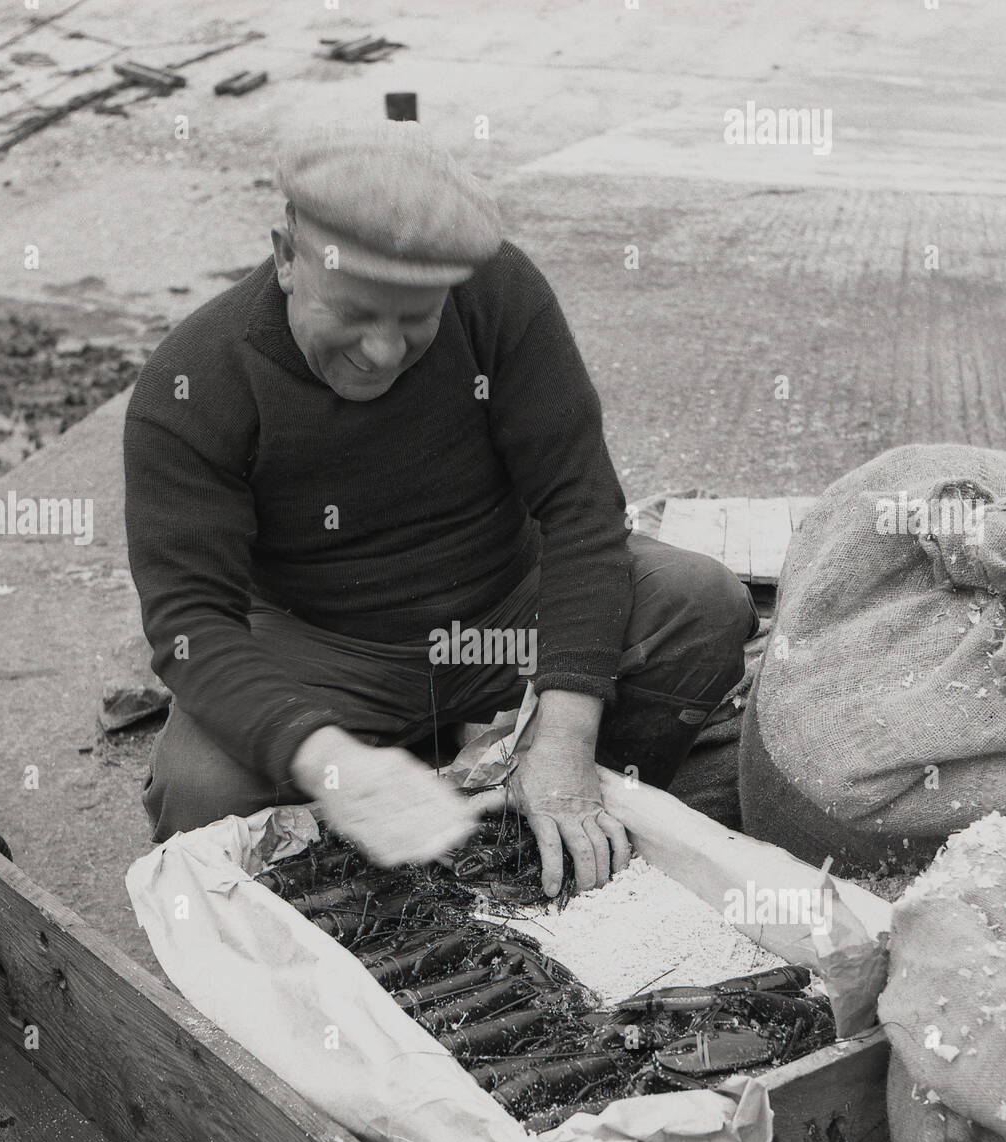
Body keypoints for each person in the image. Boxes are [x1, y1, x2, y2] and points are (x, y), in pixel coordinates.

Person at [124, 119, 757, 895]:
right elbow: (190, 624)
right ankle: (377, 837)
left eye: (414, 320)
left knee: (704, 604)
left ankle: (547, 817)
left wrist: (563, 732)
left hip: (503, 608)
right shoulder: (193, 382)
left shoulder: (495, 289)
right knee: (200, 790)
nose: (382, 351)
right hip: (327, 645)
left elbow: (581, 512)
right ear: (288, 258)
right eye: (354, 312)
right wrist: (326, 756)